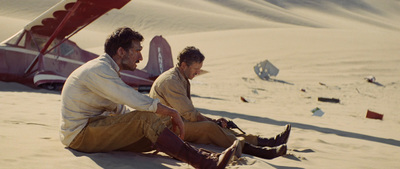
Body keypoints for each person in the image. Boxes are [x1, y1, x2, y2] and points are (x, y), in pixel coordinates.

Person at [59, 27, 240, 169]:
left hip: (93, 130)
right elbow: (132, 99)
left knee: (154, 127)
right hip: (80, 135)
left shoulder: (108, 71)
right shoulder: (99, 70)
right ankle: (205, 163)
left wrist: (155, 122)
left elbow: (120, 109)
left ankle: (203, 157)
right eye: (137, 51)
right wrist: (171, 112)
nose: (140, 57)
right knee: (147, 118)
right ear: (121, 51)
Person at [149, 46, 290, 159]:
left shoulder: (180, 78)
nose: (198, 73)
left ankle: (267, 142)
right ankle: (260, 151)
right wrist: (213, 122)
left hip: (178, 123)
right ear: (184, 65)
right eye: (196, 69)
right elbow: (191, 115)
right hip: (166, 128)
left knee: (220, 126)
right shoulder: (171, 82)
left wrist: (217, 122)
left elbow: (189, 113)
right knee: (210, 128)